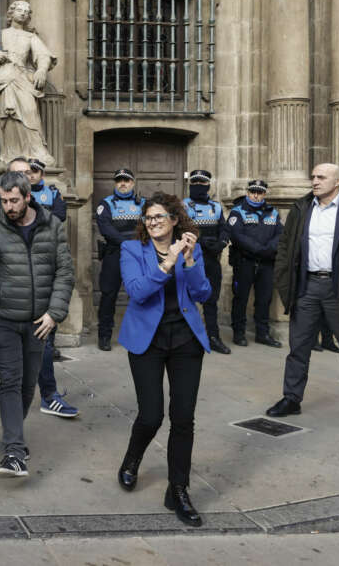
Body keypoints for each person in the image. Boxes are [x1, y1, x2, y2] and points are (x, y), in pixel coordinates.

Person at [0, 171, 73, 479]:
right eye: (4, 200)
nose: (8, 206)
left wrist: (54, 314)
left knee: (27, 385)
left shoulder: (53, 226)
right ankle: (14, 453)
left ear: (27, 197)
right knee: (9, 382)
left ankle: (13, 436)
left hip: (39, 322)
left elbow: (65, 273)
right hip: (3, 317)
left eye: (14, 200)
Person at [116, 192, 210, 527]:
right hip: (147, 341)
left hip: (185, 340)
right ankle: (132, 459)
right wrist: (167, 262)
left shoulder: (190, 247)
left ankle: (179, 489)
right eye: (148, 217)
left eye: (159, 217)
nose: (153, 222)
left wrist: (187, 261)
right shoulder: (131, 250)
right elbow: (138, 292)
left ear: (174, 220)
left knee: (183, 418)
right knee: (152, 415)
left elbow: (202, 294)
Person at [0, 157, 78, 417]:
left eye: (28, 173)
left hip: (42, 297)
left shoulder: (45, 207)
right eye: (18, 174)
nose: (24, 178)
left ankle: (48, 395)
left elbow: (62, 261)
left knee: (44, 346)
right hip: (8, 302)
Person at [267, 164, 339, 417]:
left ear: (338, 181)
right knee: (298, 347)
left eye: (321, 177)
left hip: (337, 288)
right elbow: (286, 247)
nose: (315, 181)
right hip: (306, 287)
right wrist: (283, 279)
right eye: (313, 176)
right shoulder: (302, 208)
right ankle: (291, 399)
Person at [0, 0, 57, 166]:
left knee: (30, 113)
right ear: (11, 13)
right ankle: (8, 155)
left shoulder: (31, 37)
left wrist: (42, 70)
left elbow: (44, 56)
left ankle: (36, 152)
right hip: (1, 80)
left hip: (22, 78)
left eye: (27, 11)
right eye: (19, 10)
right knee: (6, 118)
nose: (23, 13)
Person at [227, 179, 282, 348]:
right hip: (245, 262)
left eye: (259, 192)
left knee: (264, 299)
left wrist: (269, 250)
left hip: (266, 264)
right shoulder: (237, 211)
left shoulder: (273, 213)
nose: (256, 195)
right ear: (248, 192)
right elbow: (237, 236)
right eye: (252, 192)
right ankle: (239, 333)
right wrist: (261, 250)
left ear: (264, 194)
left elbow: (280, 235)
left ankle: (262, 334)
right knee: (241, 299)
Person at [182, 170, 231, 354]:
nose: (199, 186)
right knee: (186, 298)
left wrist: (221, 243)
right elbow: (181, 229)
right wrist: (201, 242)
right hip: (191, 259)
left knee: (211, 300)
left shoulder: (216, 207)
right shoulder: (183, 206)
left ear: (208, 185)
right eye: (195, 182)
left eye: (203, 183)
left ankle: (213, 337)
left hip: (212, 260)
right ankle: (187, 337)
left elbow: (224, 229)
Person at [96, 168, 145, 351]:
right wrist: (127, 243)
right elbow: (106, 228)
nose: (122, 183)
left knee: (141, 295)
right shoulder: (106, 204)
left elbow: (150, 225)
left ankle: (141, 334)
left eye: (126, 180)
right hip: (115, 254)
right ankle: (104, 335)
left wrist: (134, 246)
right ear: (115, 184)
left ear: (133, 183)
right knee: (109, 295)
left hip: (138, 255)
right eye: (119, 181)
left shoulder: (143, 204)